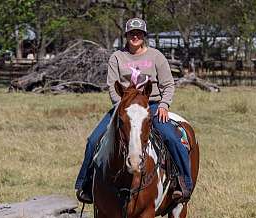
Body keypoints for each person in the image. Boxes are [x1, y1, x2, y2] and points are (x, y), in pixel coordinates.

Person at [75, 17, 193, 204]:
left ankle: (183, 183)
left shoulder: (156, 56)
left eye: (139, 33)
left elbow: (168, 84)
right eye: (132, 33)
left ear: (144, 36)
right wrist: (121, 107)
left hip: (150, 106)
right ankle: (85, 183)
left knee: (171, 137)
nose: (135, 36)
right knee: (94, 139)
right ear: (126, 36)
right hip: (123, 107)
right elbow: (113, 87)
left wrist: (164, 105)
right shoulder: (117, 57)